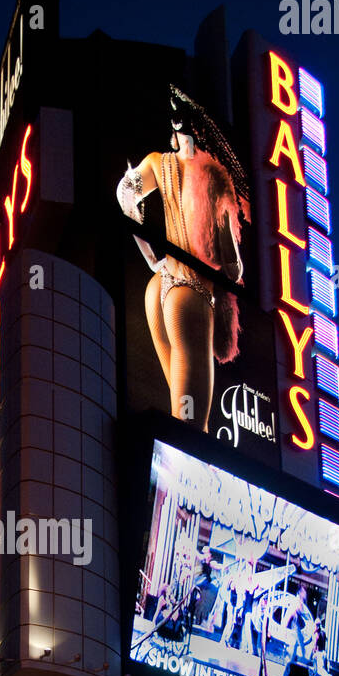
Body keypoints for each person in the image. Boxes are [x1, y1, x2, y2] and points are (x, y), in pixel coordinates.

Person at [117, 87, 250, 429]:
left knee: (181, 411)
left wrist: (151, 257)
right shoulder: (215, 178)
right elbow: (233, 266)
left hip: (158, 289)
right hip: (191, 294)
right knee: (195, 427)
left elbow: (124, 195)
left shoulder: (156, 162)